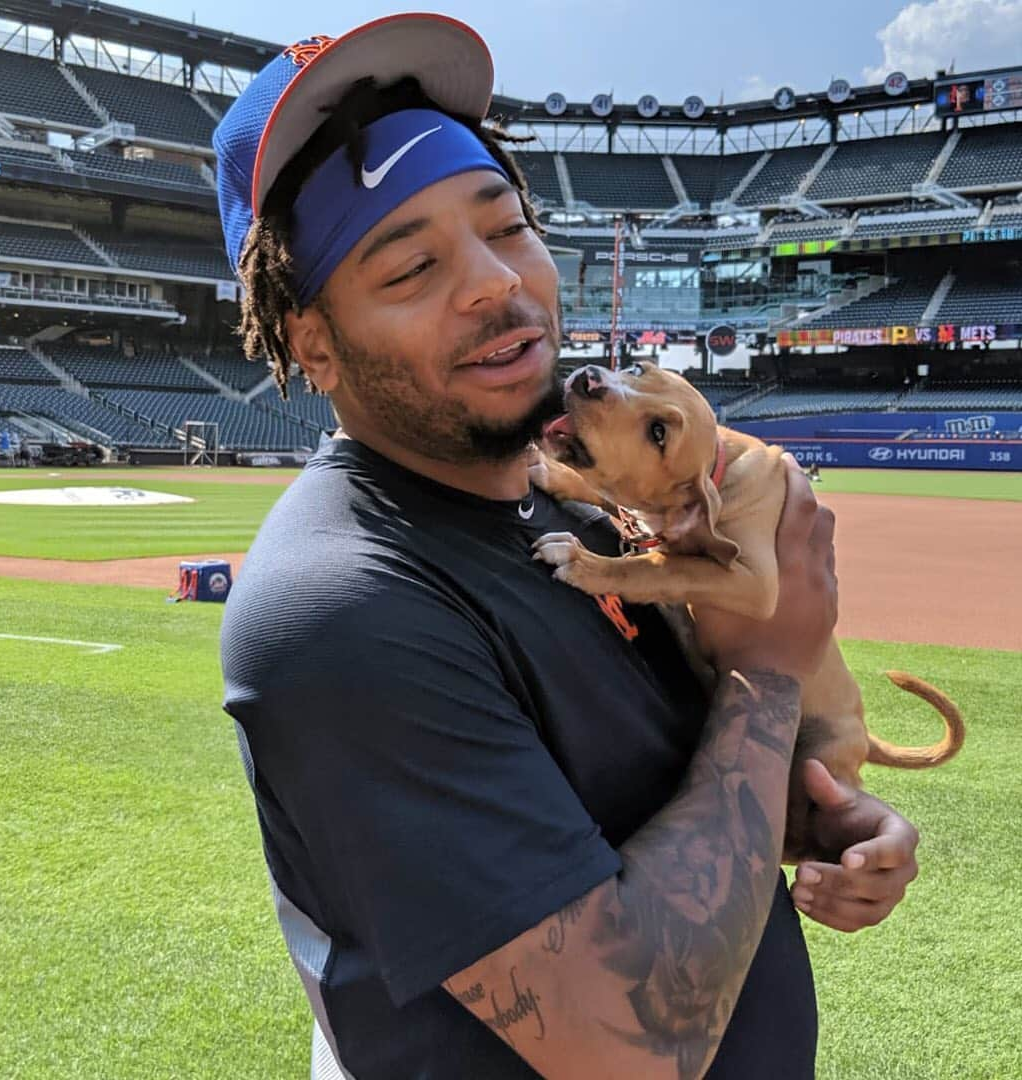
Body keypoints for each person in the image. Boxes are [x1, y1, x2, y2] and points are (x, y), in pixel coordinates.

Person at [216, 15, 919, 1079]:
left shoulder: (583, 516)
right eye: (410, 267)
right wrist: (772, 673)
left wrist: (806, 822)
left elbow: (646, 789)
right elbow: (626, 1044)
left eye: (505, 228)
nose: (494, 284)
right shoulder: (342, 606)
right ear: (311, 340)